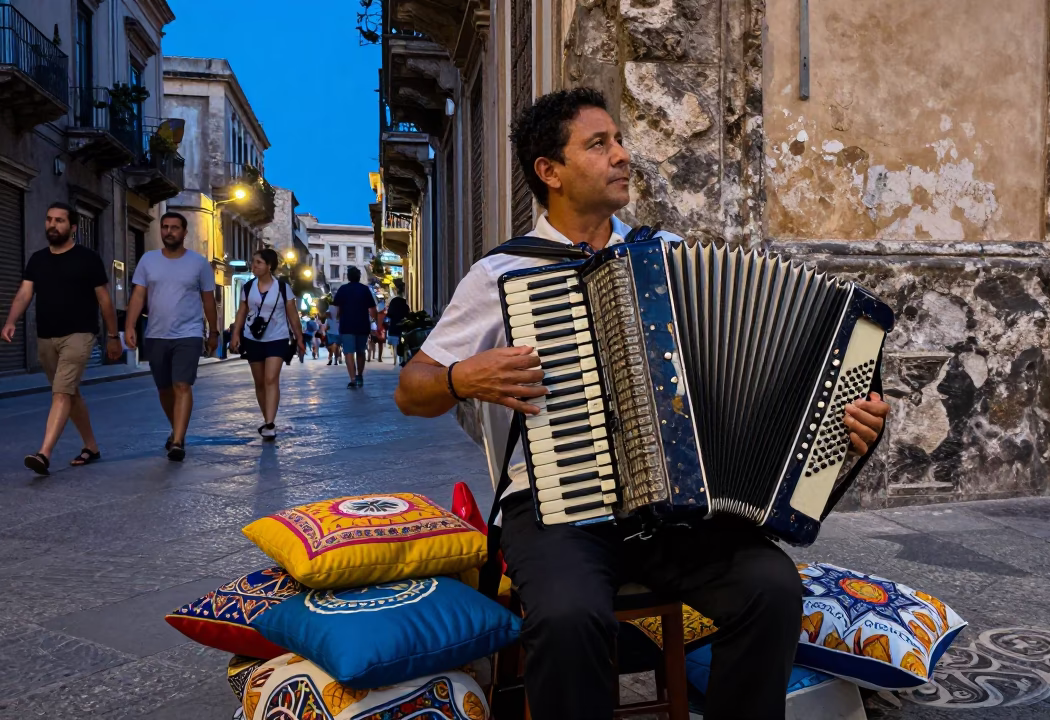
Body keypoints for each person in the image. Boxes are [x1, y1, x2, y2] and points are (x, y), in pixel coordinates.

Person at [394, 88, 891, 719]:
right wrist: (464, 376)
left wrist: (847, 422)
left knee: (771, 590)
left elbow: (768, 382)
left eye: (620, 140)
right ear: (550, 172)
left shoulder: (669, 258)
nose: (623, 155)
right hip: (557, 507)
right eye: (599, 144)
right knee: (571, 617)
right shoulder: (502, 274)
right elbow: (413, 389)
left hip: (674, 511)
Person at [2, 202, 122, 474]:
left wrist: (113, 336)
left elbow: (104, 300)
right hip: (46, 337)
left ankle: (44, 454)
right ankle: (91, 446)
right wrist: (10, 321)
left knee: (61, 392)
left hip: (79, 334)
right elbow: (24, 293)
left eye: (59, 220)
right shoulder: (37, 260)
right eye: (49, 220)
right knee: (69, 393)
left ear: (73, 227)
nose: (52, 225)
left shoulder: (87, 258)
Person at [125, 211, 218, 462]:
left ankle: (177, 441)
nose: (169, 231)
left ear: (184, 233)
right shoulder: (148, 260)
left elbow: (209, 301)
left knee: (182, 385)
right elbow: (137, 296)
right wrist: (130, 326)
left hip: (188, 334)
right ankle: (177, 428)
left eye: (175, 227)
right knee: (164, 389)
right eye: (165, 227)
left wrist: (213, 331)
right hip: (156, 334)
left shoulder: (199, 264)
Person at [229, 248, 306, 440]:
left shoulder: (282, 287)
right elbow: (241, 312)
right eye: (253, 262)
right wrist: (235, 334)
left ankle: (270, 424)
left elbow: (292, 314)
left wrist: (299, 337)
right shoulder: (248, 287)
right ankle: (267, 418)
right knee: (260, 382)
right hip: (252, 338)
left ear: (269, 266)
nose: (253, 266)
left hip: (277, 338)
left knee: (271, 379)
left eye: (258, 263)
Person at [331, 266, 377, 388]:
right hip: (362, 325)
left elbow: (336, 308)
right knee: (361, 351)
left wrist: (337, 320)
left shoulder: (342, 289)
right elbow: (372, 309)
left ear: (348, 277)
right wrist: (374, 322)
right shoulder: (365, 289)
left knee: (348, 353)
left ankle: (352, 379)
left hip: (346, 325)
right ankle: (360, 376)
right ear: (359, 276)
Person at [385, 295, 409, 367]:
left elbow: (388, 318)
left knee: (394, 346)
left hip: (393, 329)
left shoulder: (391, 309)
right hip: (403, 328)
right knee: (403, 345)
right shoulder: (405, 307)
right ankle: (402, 359)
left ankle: (395, 360)